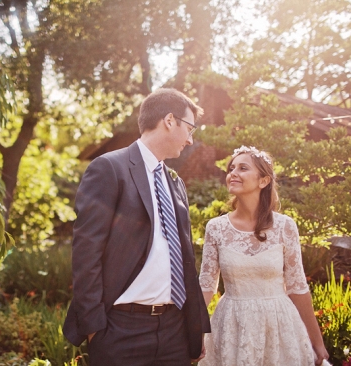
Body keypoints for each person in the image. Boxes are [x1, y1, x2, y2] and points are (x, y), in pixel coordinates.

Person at [62, 88, 211, 365]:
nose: (190, 140)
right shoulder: (109, 168)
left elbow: (185, 260)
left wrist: (193, 325)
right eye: (189, 128)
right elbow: (86, 253)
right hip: (120, 331)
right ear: (169, 120)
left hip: (173, 332)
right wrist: (96, 330)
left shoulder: (175, 182)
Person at [198, 146, 330, 366]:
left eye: (243, 168)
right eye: (232, 168)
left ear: (263, 181)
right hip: (232, 325)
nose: (233, 173)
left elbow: (298, 288)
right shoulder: (216, 228)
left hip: (278, 325)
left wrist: (317, 343)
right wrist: (195, 333)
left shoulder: (285, 226)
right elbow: (206, 285)